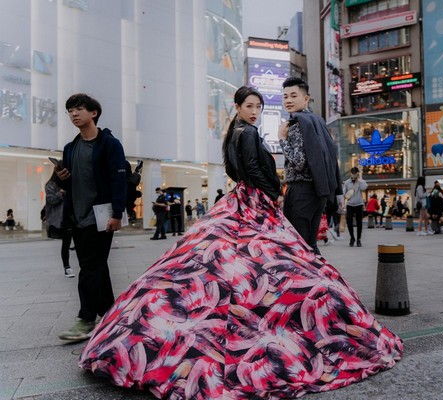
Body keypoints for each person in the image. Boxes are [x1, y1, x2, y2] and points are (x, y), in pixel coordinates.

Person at [78, 86, 402, 399]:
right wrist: (274, 193)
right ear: (237, 107)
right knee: (281, 263)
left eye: (258, 107)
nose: (255, 111)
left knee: (221, 260)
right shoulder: (246, 133)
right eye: (249, 106)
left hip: (239, 201)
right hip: (255, 201)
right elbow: (253, 171)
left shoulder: (235, 132)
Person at [54, 93, 128, 341]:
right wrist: (62, 177)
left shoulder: (109, 144)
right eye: (70, 111)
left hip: (101, 217)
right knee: (97, 267)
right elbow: (69, 182)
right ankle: (110, 314)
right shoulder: (70, 148)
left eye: (79, 109)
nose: (74, 114)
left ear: (93, 113)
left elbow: (119, 180)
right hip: (78, 216)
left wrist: (117, 214)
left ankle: (86, 319)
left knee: (89, 268)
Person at [278, 77, 342, 255]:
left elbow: (298, 162)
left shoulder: (297, 122)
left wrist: (282, 140)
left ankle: (316, 282)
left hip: (301, 191)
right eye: (285, 97)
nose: (288, 100)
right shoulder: (317, 121)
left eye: (293, 95)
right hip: (319, 191)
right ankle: (325, 281)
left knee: (298, 246)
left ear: (306, 98)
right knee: (310, 244)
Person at [45, 171, 75, 278]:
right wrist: (61, 192)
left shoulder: (71, 182)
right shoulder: (51, 185)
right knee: (66, 244)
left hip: (74, 217)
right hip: (62, 219)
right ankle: (67, 267)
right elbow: (51, 200)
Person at [343, 166, 368, 247]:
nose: (353, 175)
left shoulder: (360, 182)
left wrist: (358, 180)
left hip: (359, 204)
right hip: (350, 204)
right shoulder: (347, 182)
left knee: (359, 223)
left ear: (357, 174)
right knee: (349, 221)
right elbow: (344, 193)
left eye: (355, 174)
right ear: (351, 173)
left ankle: (359, 239)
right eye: (352, 173)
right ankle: (352, 238)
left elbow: (364, 187)